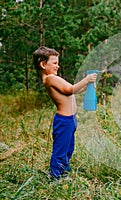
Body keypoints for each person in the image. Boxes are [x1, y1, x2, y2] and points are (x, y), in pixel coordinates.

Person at [33, 46, 97, 180]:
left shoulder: (53, 78)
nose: (58, 66)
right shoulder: (50, 78)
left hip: (70, 120)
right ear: (43, 64)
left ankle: (63, 173)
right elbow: (70, 89)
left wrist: (87, 84)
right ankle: (55, 177)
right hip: (64, 121)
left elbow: (74, 90)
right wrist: (86, 79)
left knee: (68, 148)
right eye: (54, 63)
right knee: (60, 150)